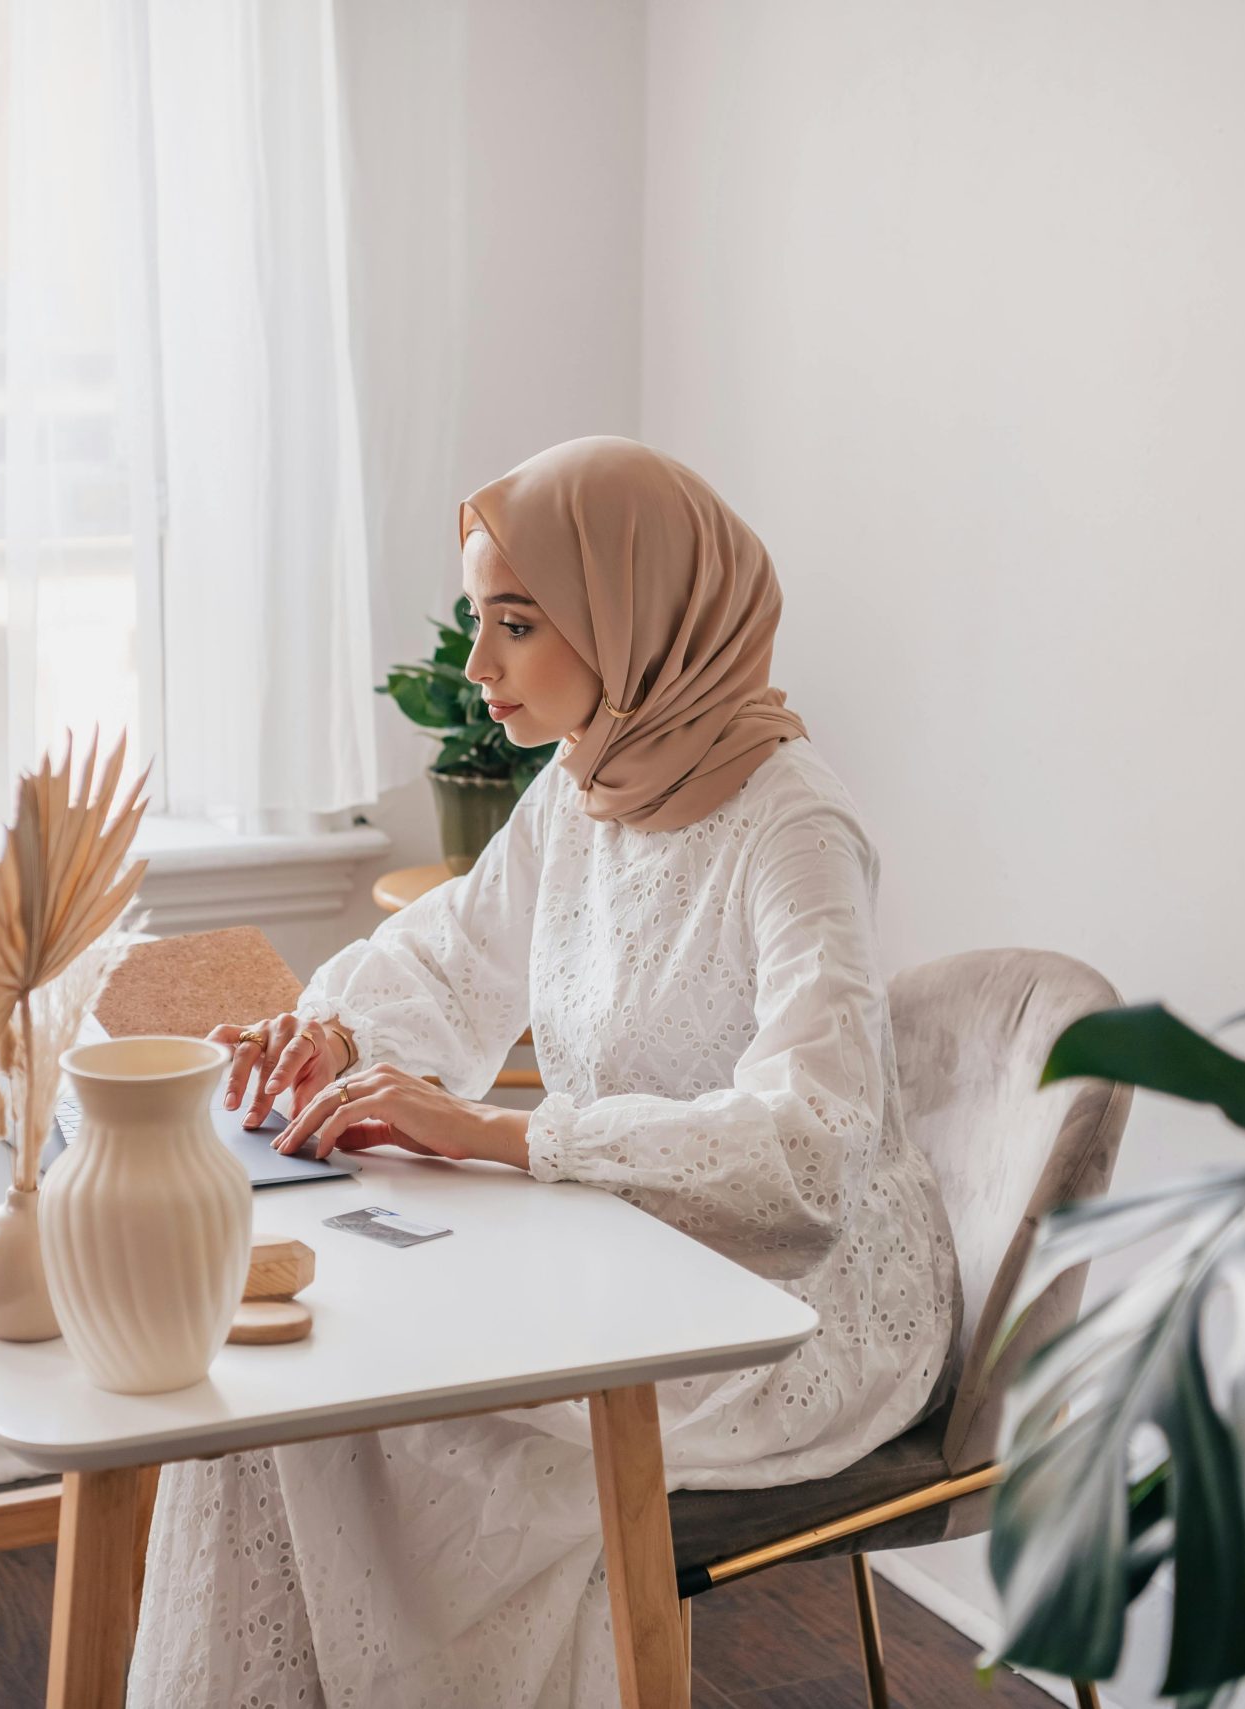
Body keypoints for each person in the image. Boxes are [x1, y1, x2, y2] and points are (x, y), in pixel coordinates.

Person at [129, 437, 957, 1708]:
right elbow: (454, 949)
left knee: (427, 1438)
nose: (476, 667)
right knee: (278, 1398)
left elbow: (808, 1150)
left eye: (515, 623)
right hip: (620, 1247)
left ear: (634, 616)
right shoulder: (590, 784)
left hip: (793, 1309)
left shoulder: (796, 828)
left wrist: (502, 1135)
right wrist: (335, 1033)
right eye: (478, 621)